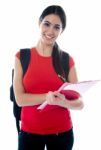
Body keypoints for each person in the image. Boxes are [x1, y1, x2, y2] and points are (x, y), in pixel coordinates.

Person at [13, 5, 84, 150]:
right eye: (47, 24)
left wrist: (63, 102)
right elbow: (20, 99)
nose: (51, 31)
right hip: (29, 134)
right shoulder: (22, 56)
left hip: (61, 134)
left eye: (57, 27)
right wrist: (48, 97)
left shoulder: (66, 60)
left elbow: (80, 102)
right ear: (39, 23)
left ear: (61, 31)